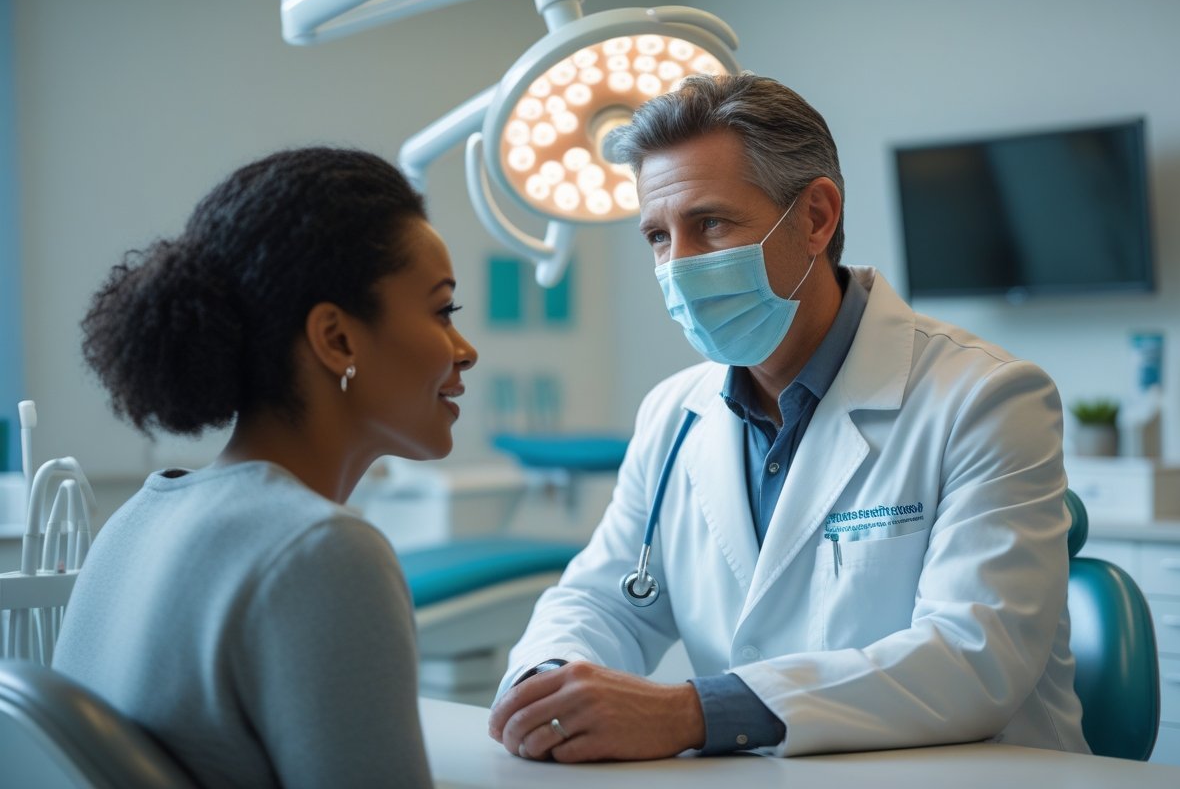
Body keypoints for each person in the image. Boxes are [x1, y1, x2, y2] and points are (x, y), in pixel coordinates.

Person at [489, 74, 1089, 762]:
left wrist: (695, 711)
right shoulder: (673, 415)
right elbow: (603, 600)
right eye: (658, 236)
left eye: (709, 223)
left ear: (816, 218)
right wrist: (549, 684)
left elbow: (973, 657)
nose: (678, 266)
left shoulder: (985, 397)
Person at [54, 147, 477, 788]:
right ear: (337, 340)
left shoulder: (133, 523)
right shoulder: (322, 552)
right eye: (442, 311)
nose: (464, 351)